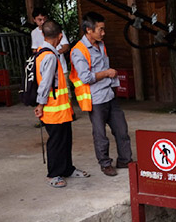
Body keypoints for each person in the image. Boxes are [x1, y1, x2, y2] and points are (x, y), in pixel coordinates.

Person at [70, 12, 133, 177]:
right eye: (100, 29)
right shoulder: (78, 51)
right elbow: (85, 78)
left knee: (121, 130)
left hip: (109, 95)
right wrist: (107, 73)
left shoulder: (101, 44)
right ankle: (105, 164)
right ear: (89, 30)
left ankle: (125, 160)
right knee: (100, 134)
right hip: (95, 98)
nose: (103, 33)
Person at [33, 20, 89, 188]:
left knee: (65, 139)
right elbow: (45, 83)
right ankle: (54, 174)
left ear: (43, 35)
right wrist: (40, 105)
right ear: (60, 36)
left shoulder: (43, 53)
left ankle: (67, 169)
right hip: (53, 109)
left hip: (61, 108)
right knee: (56, 141)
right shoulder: (49, 56)